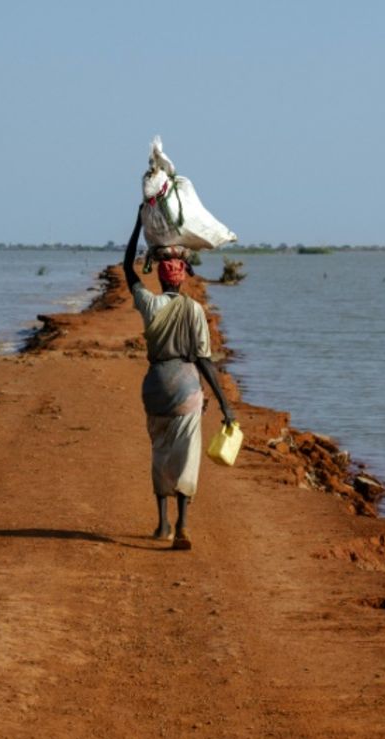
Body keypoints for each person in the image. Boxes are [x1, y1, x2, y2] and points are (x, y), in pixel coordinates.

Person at [121, 212, 235, 550]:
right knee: (186, 455)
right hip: (186, 389)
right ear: (182, 278)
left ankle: (163, 525)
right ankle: (183, 524)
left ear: (160, 277)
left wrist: (139, 225)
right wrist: (225, 405)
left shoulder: (150, 304)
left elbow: (127, 268)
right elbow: (203, 359)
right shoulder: (195, 311)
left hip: (155, 388)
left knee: (160, 452)